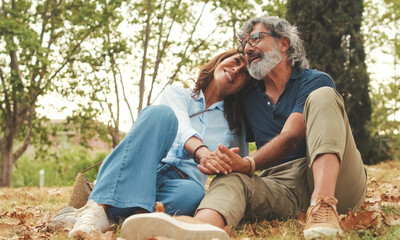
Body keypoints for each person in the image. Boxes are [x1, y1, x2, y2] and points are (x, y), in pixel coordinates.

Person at [122, 16, 367, 240]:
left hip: (338, 181)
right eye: (244, 44)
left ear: (283, 43)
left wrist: (248, 163)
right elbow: (213, 114)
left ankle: (323, 205)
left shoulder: (313, 80)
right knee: (230, 179)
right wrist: (222, 160)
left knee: (324, 96)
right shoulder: (248, 97)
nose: (248, 48)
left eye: (255, 39)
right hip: (280, 187)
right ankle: (200, 229)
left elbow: (292, 136)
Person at [68, 49, 253, 238]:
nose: (237, 69)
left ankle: (128, 215)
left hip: (181, 184)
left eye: (245, 72)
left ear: (245, 87)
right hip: (143, 169)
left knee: (194, 193)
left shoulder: (235, 125)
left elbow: (238, 165)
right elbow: (181, 127)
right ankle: (95, 210)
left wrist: (224, 164)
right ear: (219, 61)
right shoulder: (177, 94)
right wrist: (203, 152)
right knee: (160, 113)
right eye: (236, 60)